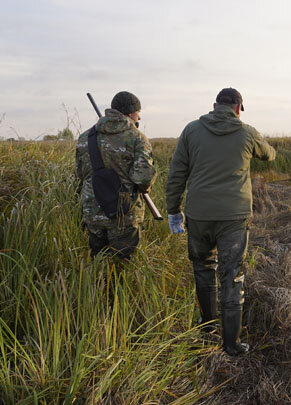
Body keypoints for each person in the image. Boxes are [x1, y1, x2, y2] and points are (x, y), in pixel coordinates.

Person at [165, 88, 276, 356]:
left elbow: (177, 173)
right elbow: (269, 155)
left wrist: (173, 210)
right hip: (233, 217)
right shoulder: (248, 133)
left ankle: (207, 328)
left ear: (214, 106)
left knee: (203, 269)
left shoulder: (191, 130)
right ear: (239, 108)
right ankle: (231, 344)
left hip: (199, 214)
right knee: (232, 275)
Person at [76, 91, 156, 260]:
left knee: (98, 262)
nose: (139, 118)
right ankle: (114, 287)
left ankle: (97, 287)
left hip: (93, 211)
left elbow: (80, 173)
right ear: (129, 113)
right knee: (123, 266)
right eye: (138, 113)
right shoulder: (137, 138)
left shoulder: (85, 137)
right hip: (124, 214)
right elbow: (143, 179)